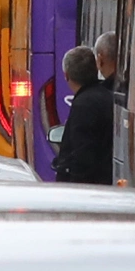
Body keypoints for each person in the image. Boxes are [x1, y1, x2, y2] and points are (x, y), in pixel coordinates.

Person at [53, 43, 117, 183]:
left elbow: (82, 155)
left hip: (90, 189)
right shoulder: (108, 96)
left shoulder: (84, 104)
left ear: (66, 75)